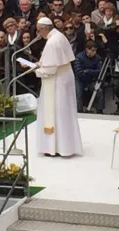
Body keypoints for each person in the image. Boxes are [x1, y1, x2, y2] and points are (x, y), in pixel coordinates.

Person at [22, 17, 82, 157]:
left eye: (38, 30)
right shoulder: (59, 36)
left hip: (57, 83)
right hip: (63, 78)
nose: (38, 33)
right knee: (63, 114)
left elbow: (49, 70)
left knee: (57, 114)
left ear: (44, 29)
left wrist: (34, 69)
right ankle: (64, 146)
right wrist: (39, 64)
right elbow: (51, 62)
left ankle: (55, 147)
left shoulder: (52, 42)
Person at [74, 40, 104, 114]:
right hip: (80, 79)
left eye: (95, 51)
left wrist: (88, 71)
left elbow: (100, 71)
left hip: (91, 80)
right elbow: (78, 72)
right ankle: (79, 111)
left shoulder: (98, 58)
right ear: (87, 49)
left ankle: (99, 110)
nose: (94, 52)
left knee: (99, 91)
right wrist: (90, 73)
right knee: (78, 92)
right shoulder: (79, 57)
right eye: (92, 50)